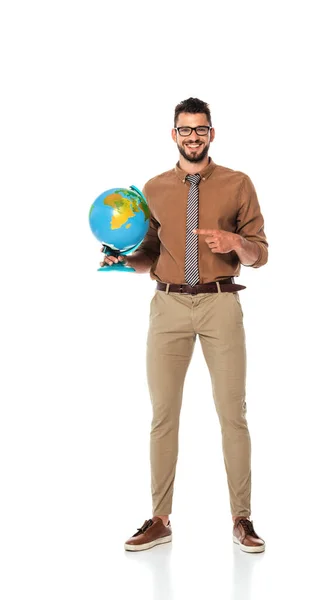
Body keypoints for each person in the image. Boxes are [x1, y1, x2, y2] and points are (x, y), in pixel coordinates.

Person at [100, 97, 269, 553]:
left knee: (233, 415)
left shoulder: (238, 184)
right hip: (169, 307)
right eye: (185, 129)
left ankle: (242, 518)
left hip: (220, 304)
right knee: (162, 417)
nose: (192, 136)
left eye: (200, 129)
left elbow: (260, 254)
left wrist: (235, 241)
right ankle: (159, 518)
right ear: (173, 134)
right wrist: (122, 260)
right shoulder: (153, 189)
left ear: (211, 134)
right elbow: (149, 256)